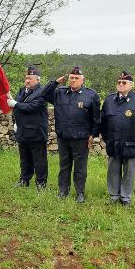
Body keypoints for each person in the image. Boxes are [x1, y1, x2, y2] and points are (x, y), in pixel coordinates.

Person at [41, 67, 101, 203]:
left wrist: (93, 134)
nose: (73, 80)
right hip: (63, 136)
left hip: (81, 137)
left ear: (82, 80)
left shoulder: (91, 95)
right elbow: (43, 93)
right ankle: (63, 191)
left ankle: (80, 193)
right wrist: (55, 82)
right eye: (71, 78)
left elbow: (96, 118)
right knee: (64, 165)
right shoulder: (60, 93)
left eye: (76, 78)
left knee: (80, 167)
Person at [100, 71, 135, 206]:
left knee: (129, 173)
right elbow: (103, 122)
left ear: (131, 85)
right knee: (113, 171)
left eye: (124, 82)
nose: (121, 85)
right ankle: (113, 196)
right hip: (113, 142)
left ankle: (125, 198)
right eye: (119, 82)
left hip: (131, 144)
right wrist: (107, 139)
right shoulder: (109, 100)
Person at [7, 66, 49, 192]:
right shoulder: (21, 91)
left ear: (38, 79)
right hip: (23, 130)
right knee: (25, 158)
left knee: (39, 160)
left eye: (30, 78)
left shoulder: (43, 92)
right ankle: (24, 179)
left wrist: (16, 104)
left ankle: (41, 183)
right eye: (26, 78)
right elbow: (17, 110)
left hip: (36, 132)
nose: (27, 81)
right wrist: (15, 122)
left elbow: (32, 107)